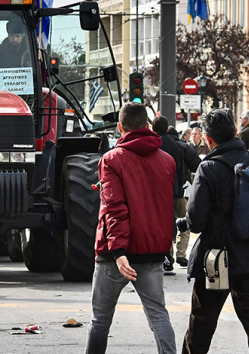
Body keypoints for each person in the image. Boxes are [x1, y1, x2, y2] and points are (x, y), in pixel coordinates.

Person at [177, 108, 249, 353]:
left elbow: (197, 220)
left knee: (202, 319)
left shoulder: (209, 167)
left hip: (217, 257)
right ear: (235, 131)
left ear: (209, 139)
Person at [85, 103, 176, 354]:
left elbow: (114, 207)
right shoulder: (167, 161)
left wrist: (118, 250)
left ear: (119, 128)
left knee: (100, 321)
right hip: (152, 249)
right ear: (147, 125)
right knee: (158, 315)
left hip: (115, 254)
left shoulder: (112, 160)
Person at [152, 116, 200, 271]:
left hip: (158, 193)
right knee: (184, 222)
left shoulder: (152, 145)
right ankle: (181, 253)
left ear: (153, 129)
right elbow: (197, 165)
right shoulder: (181, 146)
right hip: (179, 190)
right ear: (167, 128)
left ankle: (168, 257)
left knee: (164, 225)